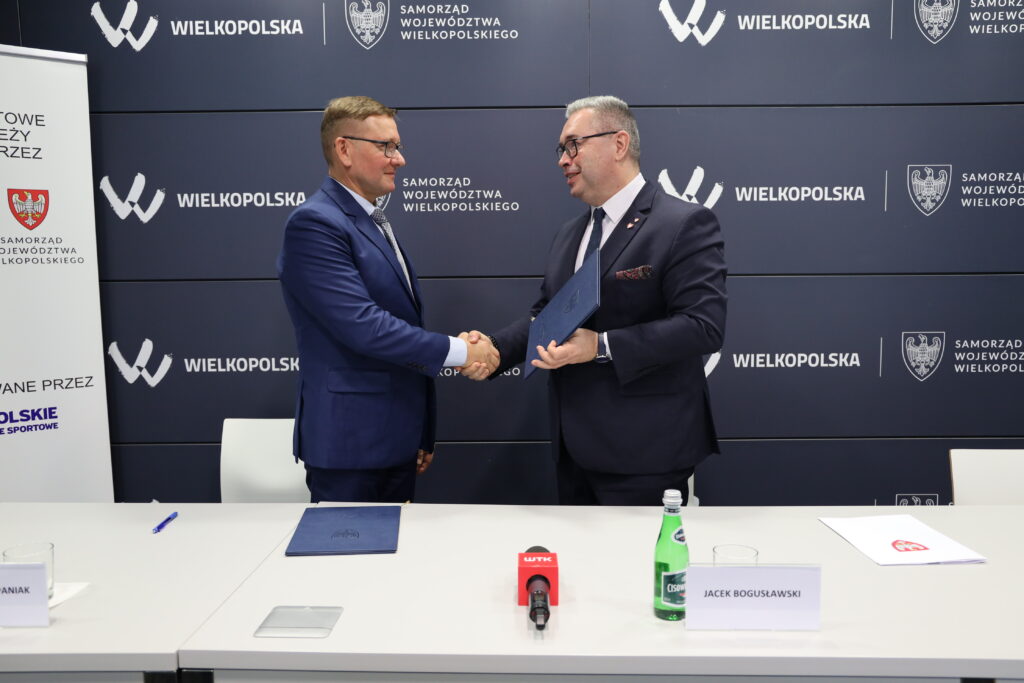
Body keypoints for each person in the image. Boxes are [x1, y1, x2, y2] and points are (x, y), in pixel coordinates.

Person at [466, 95, 726, 506]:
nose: (563, 160)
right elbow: (548, 316)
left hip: (648, 453)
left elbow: (703, 326)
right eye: (560, 149)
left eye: (573, 145)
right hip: (573, 450)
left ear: (619, 144)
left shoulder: (682, 223)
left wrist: (601, 346)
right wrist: (495, 350)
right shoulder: (570, 234)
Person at [278, 96, 498, 503]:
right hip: (350, 448)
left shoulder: (371, 219)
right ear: (344, 149)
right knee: (348, 548)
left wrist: (419, 430)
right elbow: (365, 327)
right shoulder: (316, 223)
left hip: (395, 441)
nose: (399, 159)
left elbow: (401, 325)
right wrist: (463, 351)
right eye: (386, 146)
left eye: (397, 146)